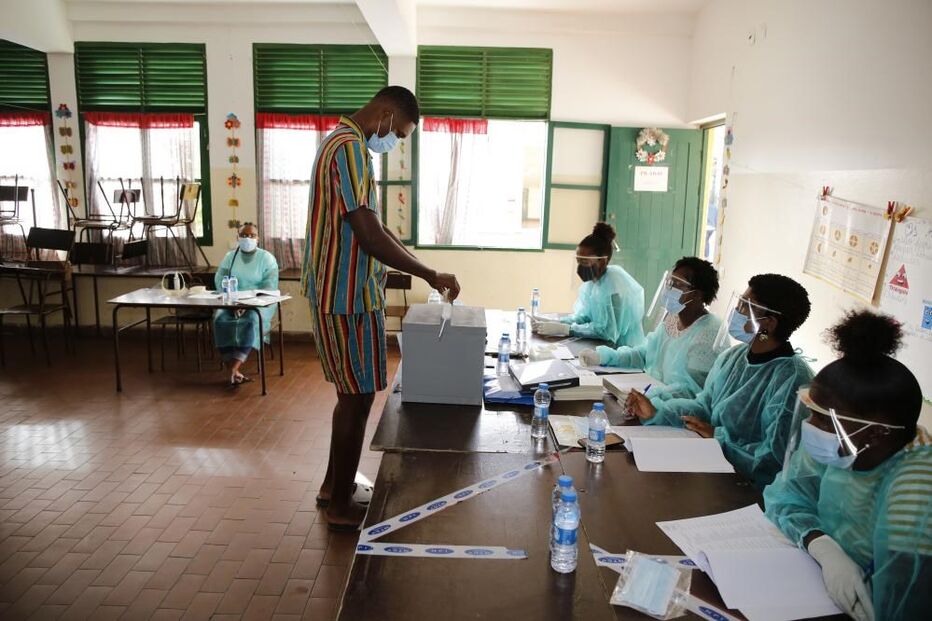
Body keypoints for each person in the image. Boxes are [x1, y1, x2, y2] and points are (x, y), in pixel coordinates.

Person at [302, 86, 460, 531]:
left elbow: (376, 224)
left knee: (350, 397)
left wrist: (425, 266)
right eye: (401, 134)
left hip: (343, 291)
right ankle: (338, 507)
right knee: (357, 397)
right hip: (346, 295)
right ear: (387, 114)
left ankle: (333, 485)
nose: (397, 142)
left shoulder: (339, 144)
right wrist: (430, 275)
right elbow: (368, 235)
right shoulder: (349, 148)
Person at [764, 311, 930, 621]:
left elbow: (902, 602)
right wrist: (823, 547)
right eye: (811, 412)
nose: (810, 425)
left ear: (877, 431)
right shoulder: (846, 445)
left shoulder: (917, 488)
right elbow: (785, 496)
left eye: (822, 418)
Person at [627, 273, 814, 489]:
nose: (736, 312)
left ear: (769, 323)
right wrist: (657, 411)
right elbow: (704, 405)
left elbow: (773, 459)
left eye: (745, 306)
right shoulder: (733, 357)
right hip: (713, 469)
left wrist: (719, 439)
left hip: (750, 489)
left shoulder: (792, 380)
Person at [533, 222, 645, 347]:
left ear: (602, 261)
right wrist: (554, 321)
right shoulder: (593, 283)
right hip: (601, 347)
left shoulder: (613, 285)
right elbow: (585, 316)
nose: (581, 267)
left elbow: (607, 332)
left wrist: (567, 329)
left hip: (621, 350)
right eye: (579, 261)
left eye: (585, 262)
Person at [213, 222, 279, 387]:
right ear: (238, 238)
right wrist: (233, 301)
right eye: (243, 235)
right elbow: (220, 279)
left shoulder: (267, 259)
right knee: (219, 319)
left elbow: (269, 286)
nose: (247, 238)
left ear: (258, 238)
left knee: (251, 321)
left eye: (252, 235)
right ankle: (233, 368)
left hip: (259, 304)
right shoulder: (230, 257)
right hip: (232, 302)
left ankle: (234, 368)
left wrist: (249, 303)